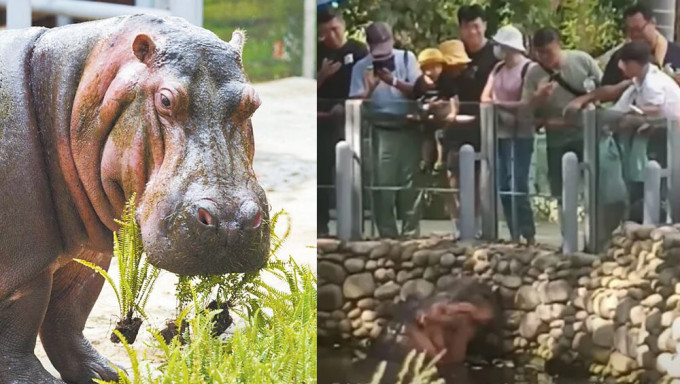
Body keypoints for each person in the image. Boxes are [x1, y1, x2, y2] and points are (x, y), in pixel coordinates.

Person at [349, 22, 421, 239]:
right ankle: (387, 234)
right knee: (383, 185)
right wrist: (369, 89)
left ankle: (411, 234)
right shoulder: (361, 67)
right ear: (369, 47)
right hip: (379, 129)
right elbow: (353, 105)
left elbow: (419, 91)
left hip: (408, 126)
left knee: (410, 185)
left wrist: (394, 81)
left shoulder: (407, 58)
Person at [522, 27, 602, 207]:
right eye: (540, 53)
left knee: (595, 182)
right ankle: (567, 228)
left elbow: (604, 90)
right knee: (560, 188)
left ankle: (595, 226)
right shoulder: (534, 73)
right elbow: (525, 110)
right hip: (556, 137)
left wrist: (585, 101)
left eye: (548, 52)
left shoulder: (582, 60)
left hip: (586, 133)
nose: (544, 58)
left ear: (558, 45)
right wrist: (538, 98)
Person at [480, 25, 536, 245]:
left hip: (521, 134)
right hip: (501, 134)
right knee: (503, 185)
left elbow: (527, 103)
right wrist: (500, 108)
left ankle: (528, 233)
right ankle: (514, 234)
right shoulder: (497, 69)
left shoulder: (529, 69)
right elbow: (485, 98)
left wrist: (499, 105)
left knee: (518, 184)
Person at [316, 7, 368, 237]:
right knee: (323, 174)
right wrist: (323, 75)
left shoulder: (358, 50)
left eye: (335, 29)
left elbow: (366, 86)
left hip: (352, 121)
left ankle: (353, 225)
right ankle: (321, 226)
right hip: (323, 123)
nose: (333, 36)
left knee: (351, 172)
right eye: (327, 32)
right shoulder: (318, 53)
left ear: (343, 26)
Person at [601, 3, 680, 87]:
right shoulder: (620, 58)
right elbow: (605, 91)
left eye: (638, 29)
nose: (635, 35)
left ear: (653, 23)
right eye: (630, 31)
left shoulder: (677, 53)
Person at [412, 47, 460, 174]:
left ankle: (440, 161)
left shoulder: (445, 80)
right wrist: (420, 111)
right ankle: (425, 161)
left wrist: (453, 112)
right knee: (427, 137)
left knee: (440, 136)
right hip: (427, 114)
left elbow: (453, 97)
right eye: (429, 67)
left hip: (443, 113)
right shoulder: (420, 83)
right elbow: (416, 99)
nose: (433, 71)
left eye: (436, 67)